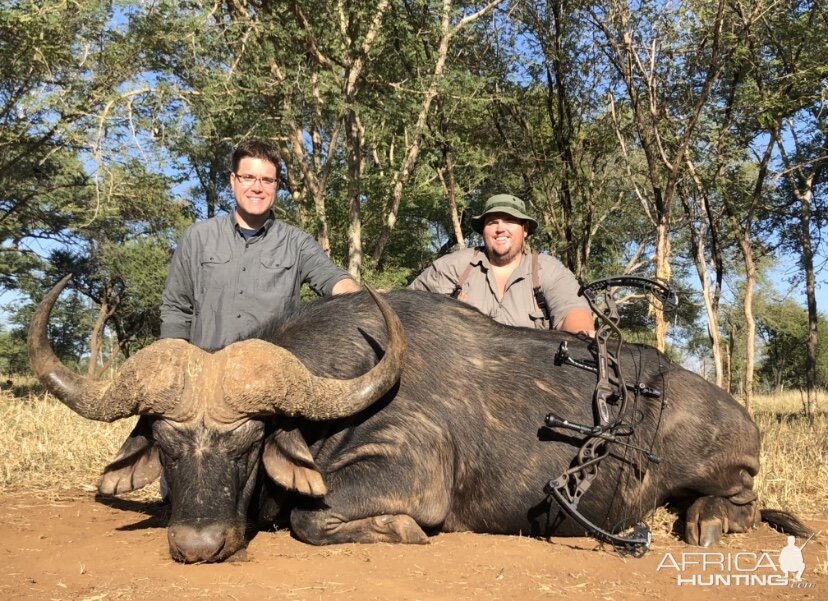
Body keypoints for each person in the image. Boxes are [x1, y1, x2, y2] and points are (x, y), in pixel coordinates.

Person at [160, 138, 361, 350]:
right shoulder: (197, 238)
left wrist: (365, 300)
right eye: (248, 177)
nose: (257, 188)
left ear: (276, 186)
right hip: (206, 374)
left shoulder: (297, 243)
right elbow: (175, 310)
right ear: (233, 180)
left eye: (267, 180)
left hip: (272, 376)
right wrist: (174, 362)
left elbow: (335, 281)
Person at [409, 193, 594, 335]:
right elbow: (408, 306)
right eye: (492, 222)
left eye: (510, 221)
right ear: (484, 231)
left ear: (525, 230)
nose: (500, 229)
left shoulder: (549, 270)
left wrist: (582, 335)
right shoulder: (453, 266)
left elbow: (573, 312)